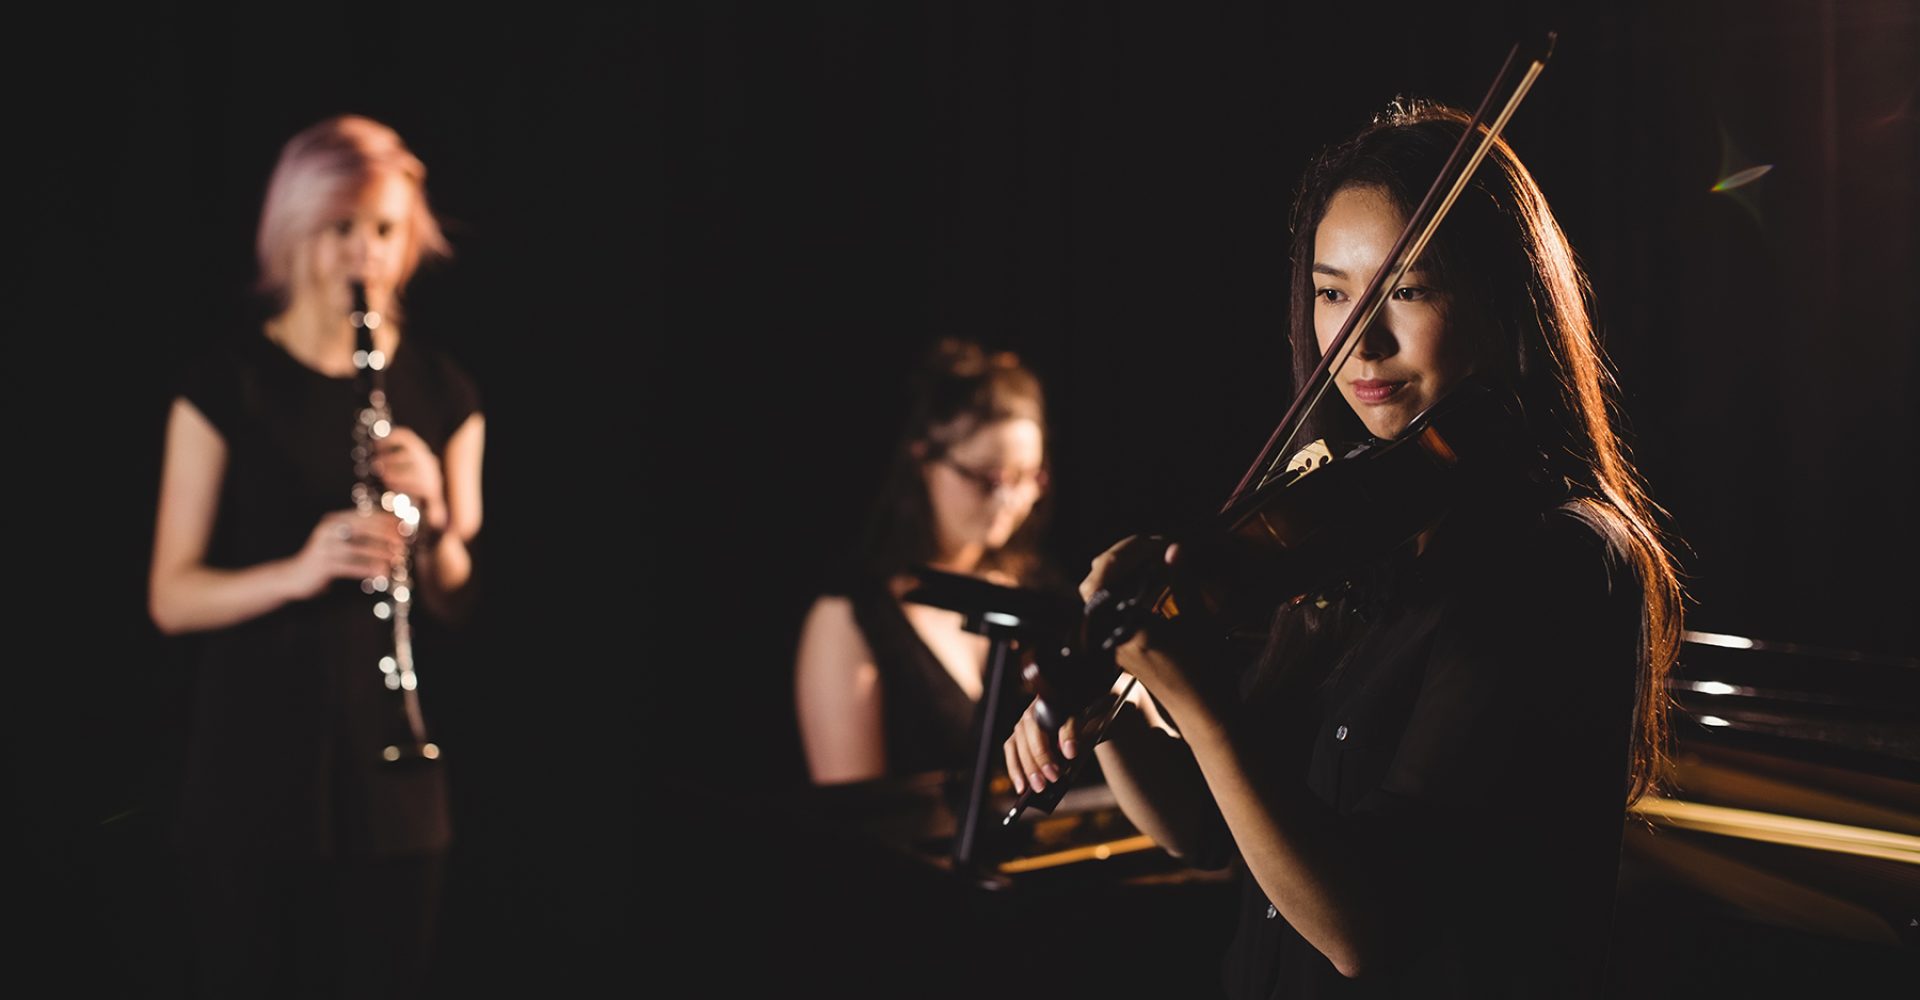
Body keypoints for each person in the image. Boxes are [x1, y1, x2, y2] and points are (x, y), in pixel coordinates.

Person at [1005, 98, 1686, 997]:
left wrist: (1200, 703)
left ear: (1499, 299)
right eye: (1334, 292)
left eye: (1408, 289)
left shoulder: (1560, 560)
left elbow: (1362, 929)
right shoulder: (1349, 531)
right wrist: (1117, 719)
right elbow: (1216, 833)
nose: (1361, 342)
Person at [148, 113, 484, 1000]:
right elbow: (171, 598)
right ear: (294, 228)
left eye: (384, 230)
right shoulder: (226, 385)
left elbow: (456, 595)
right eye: (341, 228)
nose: (364, 254)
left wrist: (440, 515)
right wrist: (298, 570)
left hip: (395, 771)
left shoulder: (444, 391)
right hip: (250, 772)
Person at [793, 337, 1056, 786]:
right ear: (924, 460)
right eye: (989, 478)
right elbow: (857, 823)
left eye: (1027, 477)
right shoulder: (850, 617)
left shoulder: (1039, 591)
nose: (1010, 500)